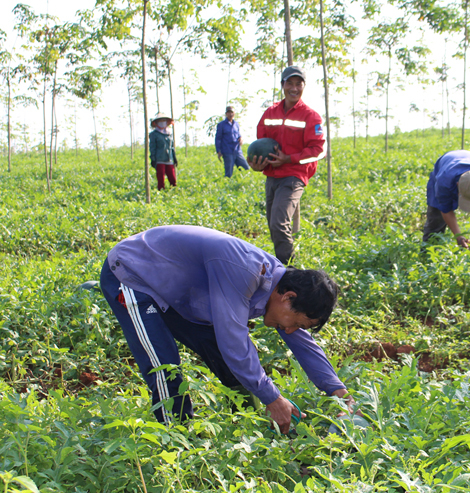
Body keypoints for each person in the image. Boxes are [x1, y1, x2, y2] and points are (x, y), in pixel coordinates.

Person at [99, 225, 351, 432]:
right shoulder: (246, 272)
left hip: (178, 292)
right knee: (165, 366)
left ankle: (250, 426)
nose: (290, 330)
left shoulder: (275, 282)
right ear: (288, 297)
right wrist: (274, 398)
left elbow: (302, 343)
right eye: (296, 323)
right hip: (134, 275)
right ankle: (176, 439)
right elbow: (234, 342)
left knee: (223, 356)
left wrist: (338, 391)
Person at [248, 66, 326, 264]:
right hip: (272, 176)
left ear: (303, 87)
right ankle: (282, 266)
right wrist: (258, 164)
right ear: (282, 85)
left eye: (298, 84)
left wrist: (289, 159)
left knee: (279, 223)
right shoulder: (270, 112)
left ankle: (289, 271)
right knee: (273, 225)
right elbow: (261, 144)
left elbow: (318, 150)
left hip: (293, 176)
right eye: (289, 83)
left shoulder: (311, 116)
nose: (294, 88)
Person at [423, 150, 470, 250]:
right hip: (445, 166)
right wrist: (459, 237)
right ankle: (427, 252)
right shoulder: (444, 180)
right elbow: (445, 210)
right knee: (436, 220)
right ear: (457, 186)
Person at [215, 105, 250, 178]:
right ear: (226, 114)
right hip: (227, 151)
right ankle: (227, 186)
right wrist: (218, 151)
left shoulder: (236, 124)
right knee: (228, 173)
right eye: (228, 113)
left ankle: (243, 184)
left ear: (234, 113)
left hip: (237, 151)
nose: (230, 114)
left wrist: (241, 139)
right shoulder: (221, 125)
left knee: (246, 169)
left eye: (232, 112)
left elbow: (238, 134)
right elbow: (218, 138)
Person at [149, 113, 178, 191]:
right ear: (157, 123)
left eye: (164, 121)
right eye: (160, 121)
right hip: (159, 158)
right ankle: (161, 191)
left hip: (169, 158)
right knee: (161, 177)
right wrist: (153, 158)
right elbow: (152, 147)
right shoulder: (153, 134)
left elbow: (171, 147)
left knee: (172, 177)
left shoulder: (169, 134)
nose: (162, 122)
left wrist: (174, 157)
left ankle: (174, 191)